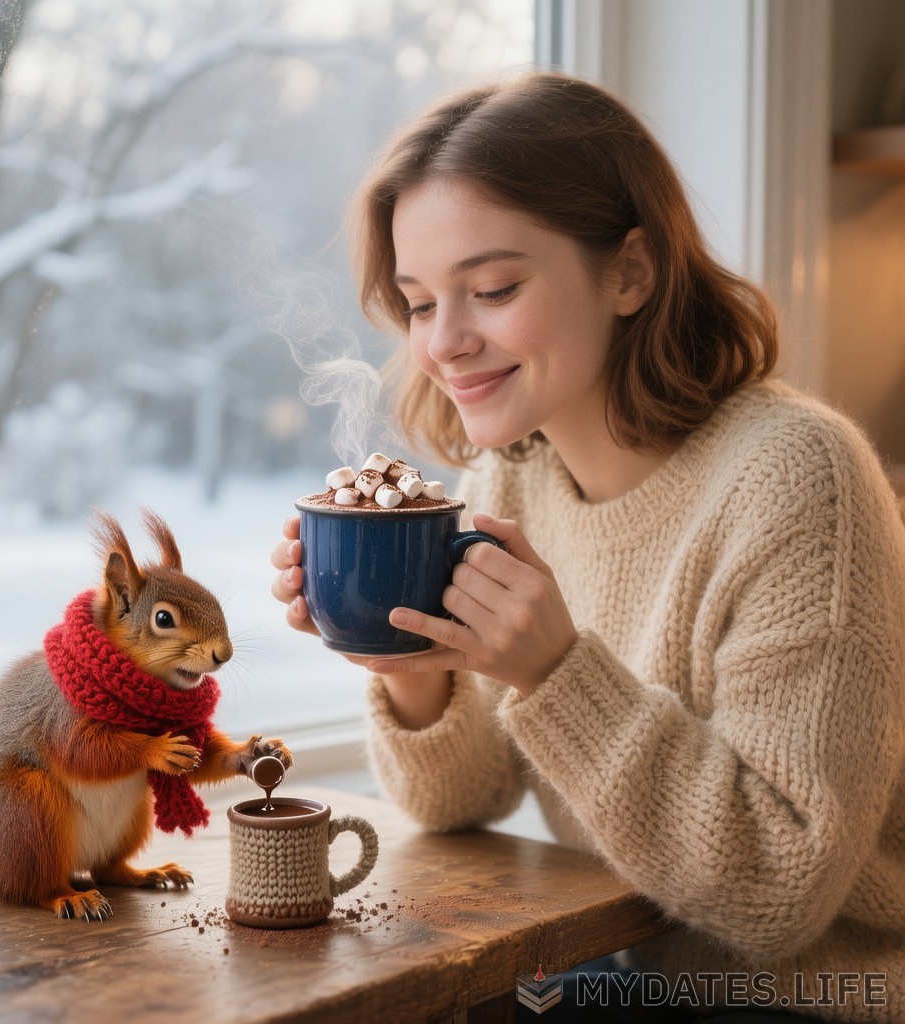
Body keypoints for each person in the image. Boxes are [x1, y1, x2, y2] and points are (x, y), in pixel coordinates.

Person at [271, 72, 905, 1022]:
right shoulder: (514, 480)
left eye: (492, 288)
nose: (445, 343)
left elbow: (781, 891)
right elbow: (463, 801)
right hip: (623, 977)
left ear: (630, 273)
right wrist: (412, 665)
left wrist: (558, 673)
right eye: (418, 302)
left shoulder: (798, 479)